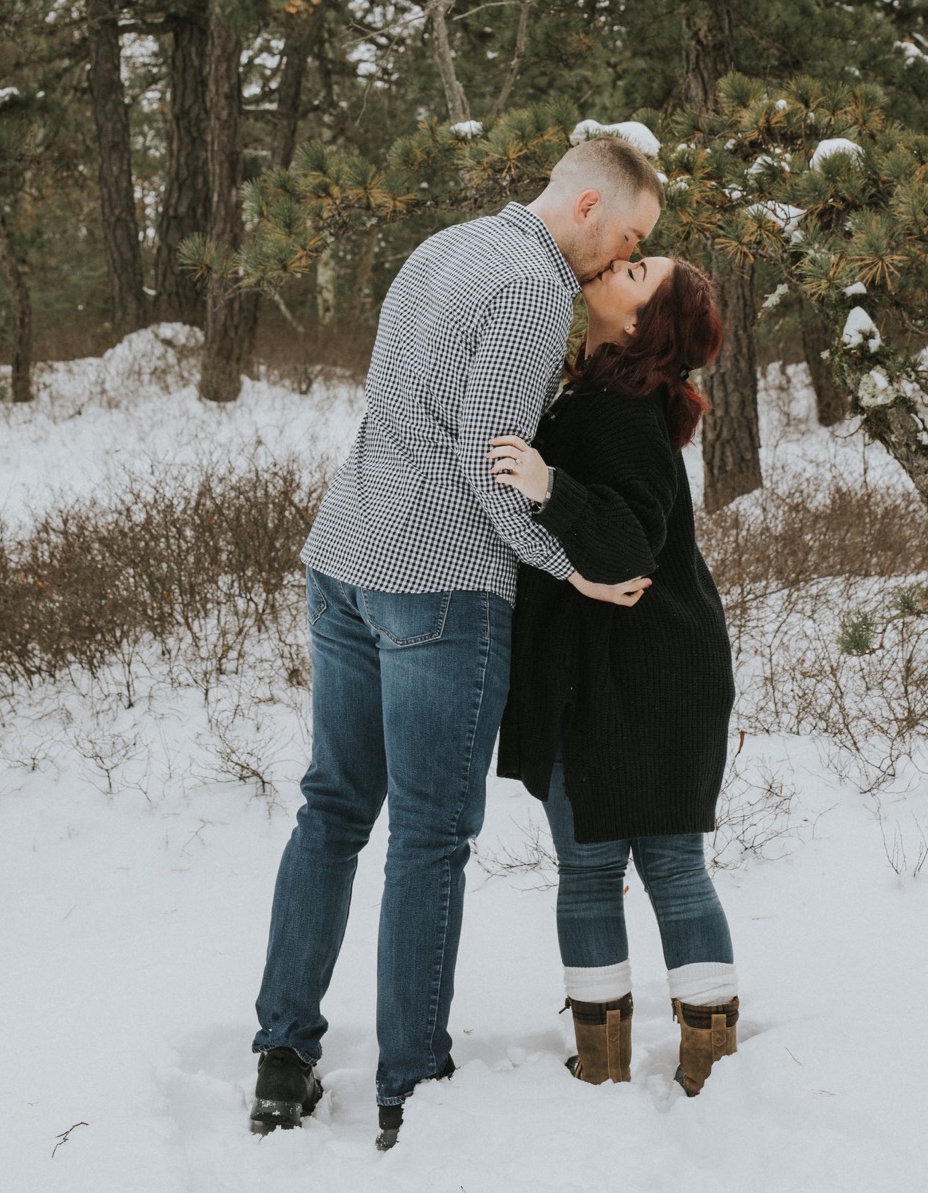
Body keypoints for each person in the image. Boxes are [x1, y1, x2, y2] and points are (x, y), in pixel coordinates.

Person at [249, 135, 664, 1149]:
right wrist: (571, 567)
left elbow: (395, 411)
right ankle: (409, 1086)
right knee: (429, 839)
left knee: (333, 808)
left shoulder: (444, 247)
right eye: (630, 236)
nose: (624, 260)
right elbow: (492, 464)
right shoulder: (532, 292)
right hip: (438, 584)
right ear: (586, 208)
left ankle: (281, 1059)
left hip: (344, 552)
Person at [490, 254, 739, 1099]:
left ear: (642, 326)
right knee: (592, 864)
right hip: (598, 672)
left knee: (667, 863)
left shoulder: (627, 413)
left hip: (656, 674)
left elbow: (628, 549)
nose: (615, 266)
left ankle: (710, 1059)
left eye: (637, 272)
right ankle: (604, 1058)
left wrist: (548, 485)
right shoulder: (591, 396)